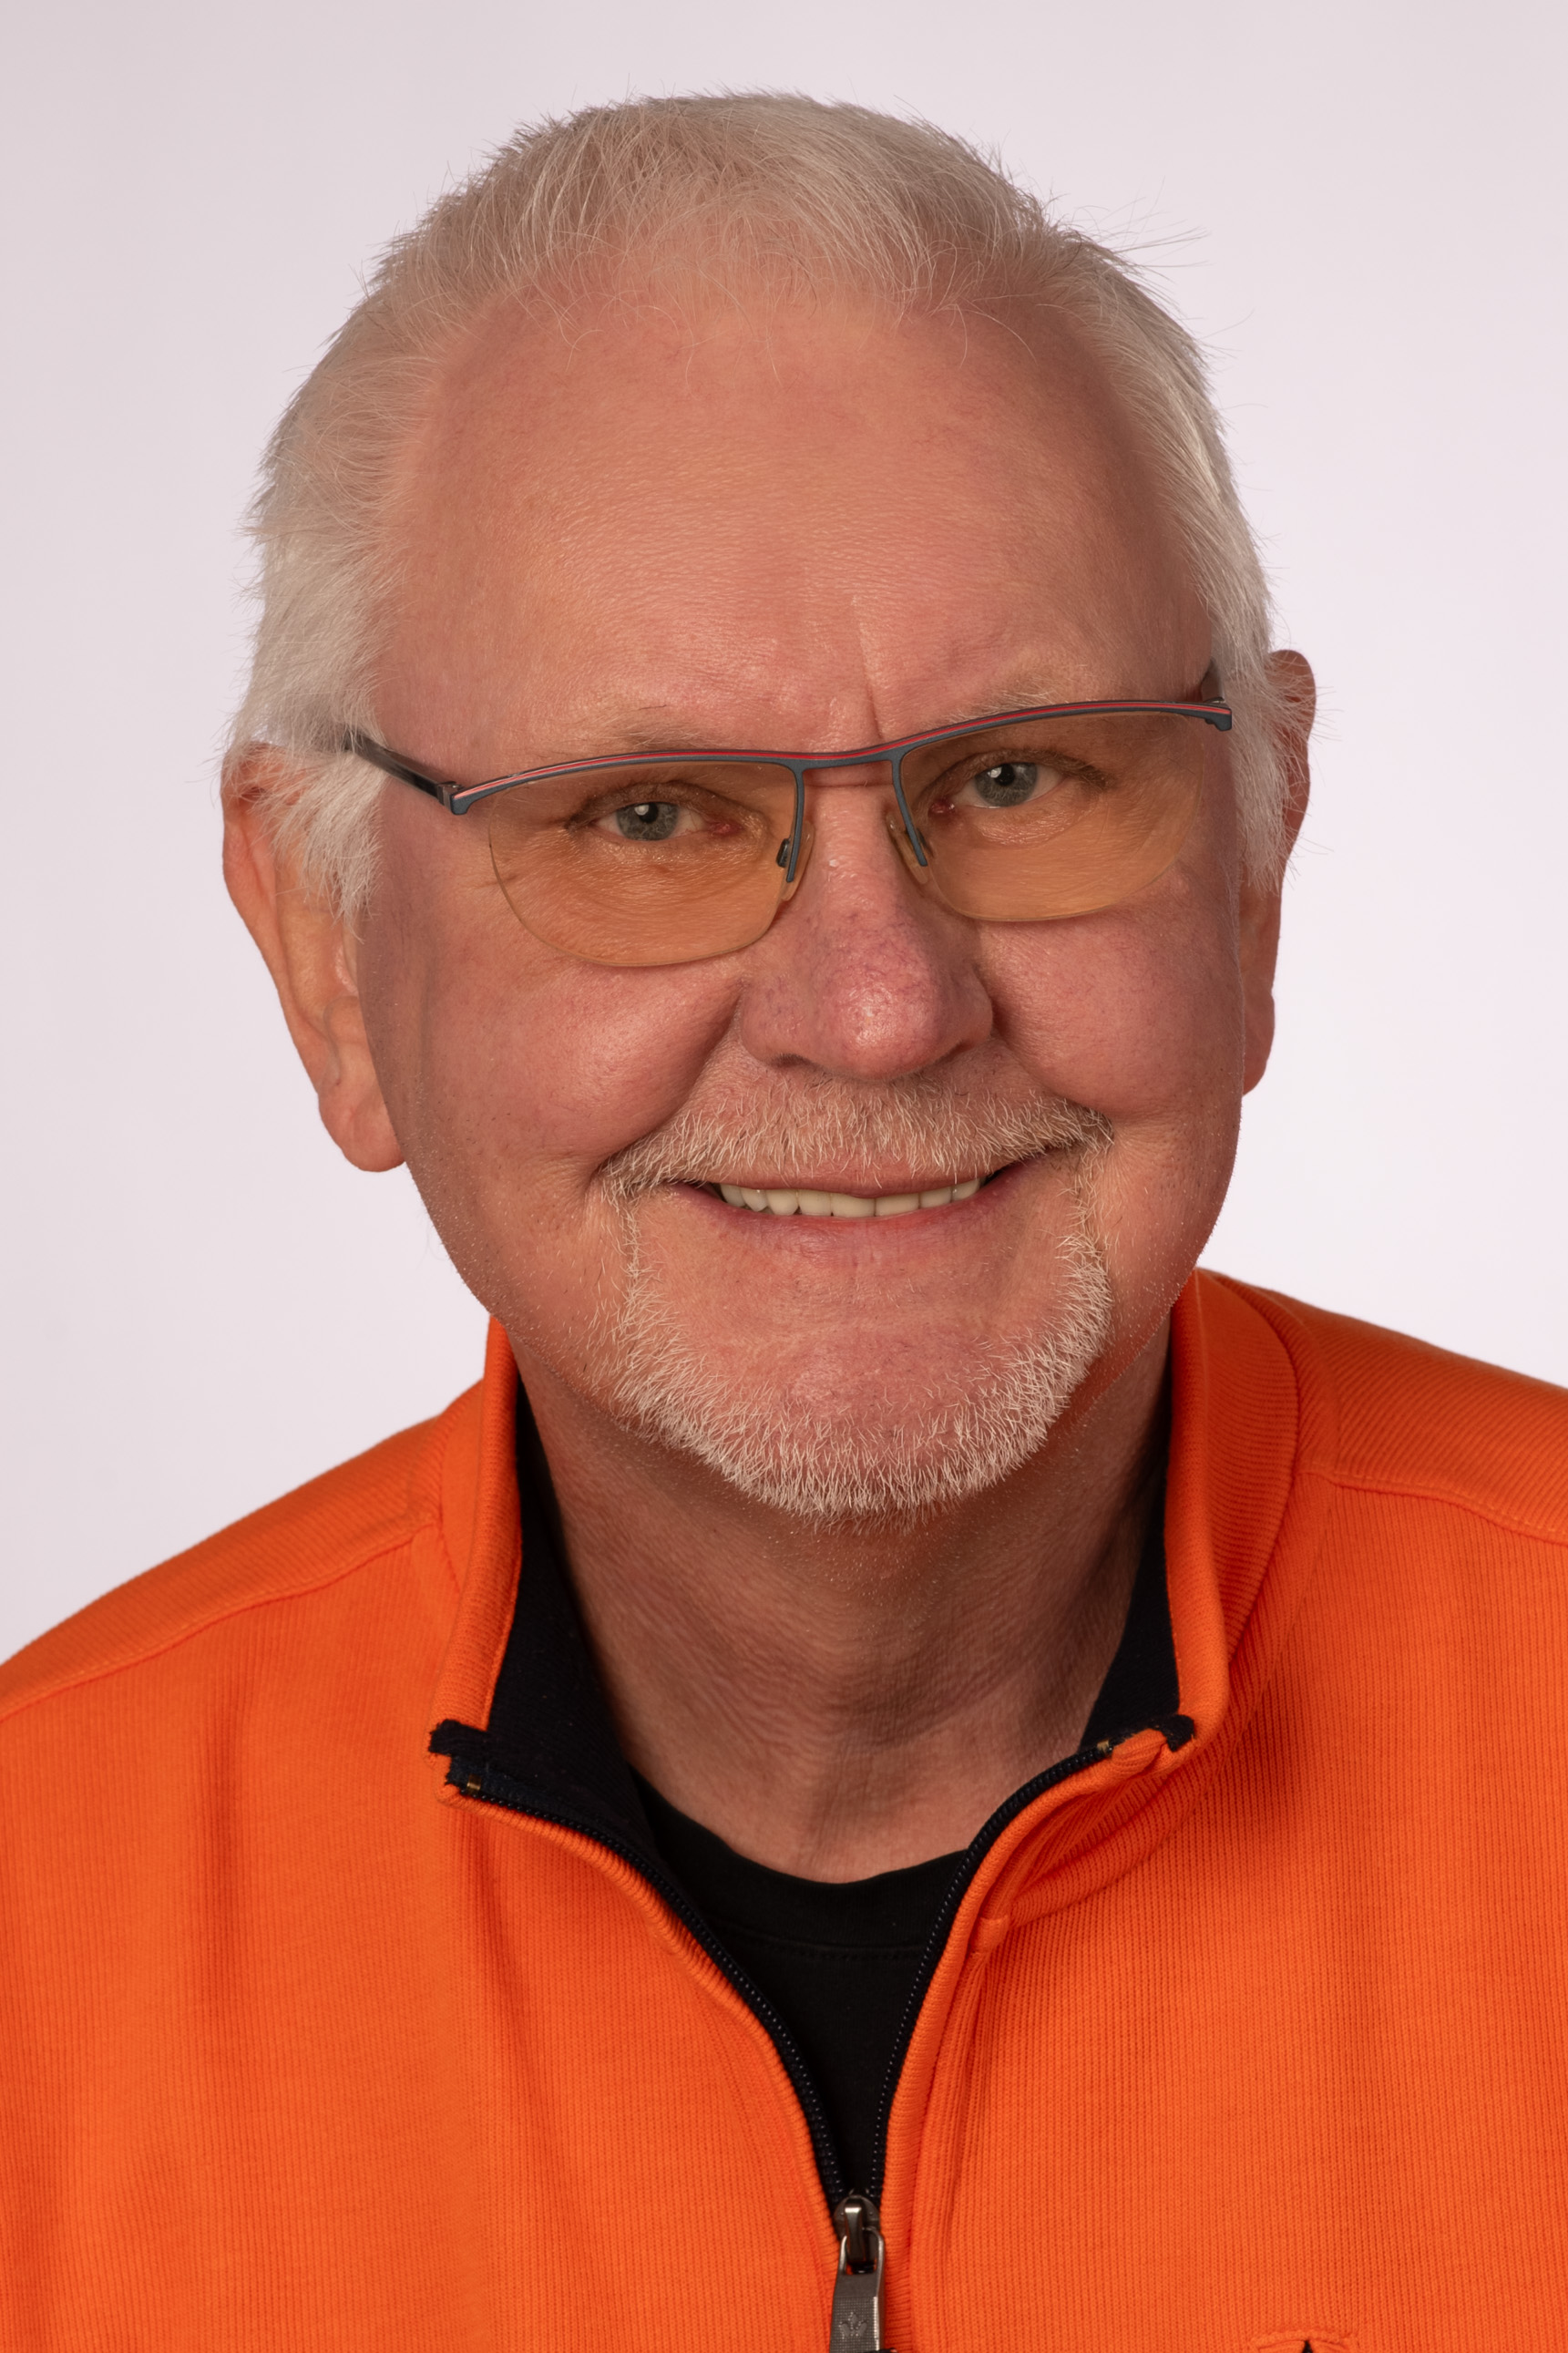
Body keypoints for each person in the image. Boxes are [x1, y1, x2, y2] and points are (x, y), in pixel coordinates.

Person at [3, 92, 1564, 2352]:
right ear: (330, 959)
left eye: (1018, 777)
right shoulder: (39, 1918)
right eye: (646, 815)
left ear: (1253, 866)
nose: (879, 1006)